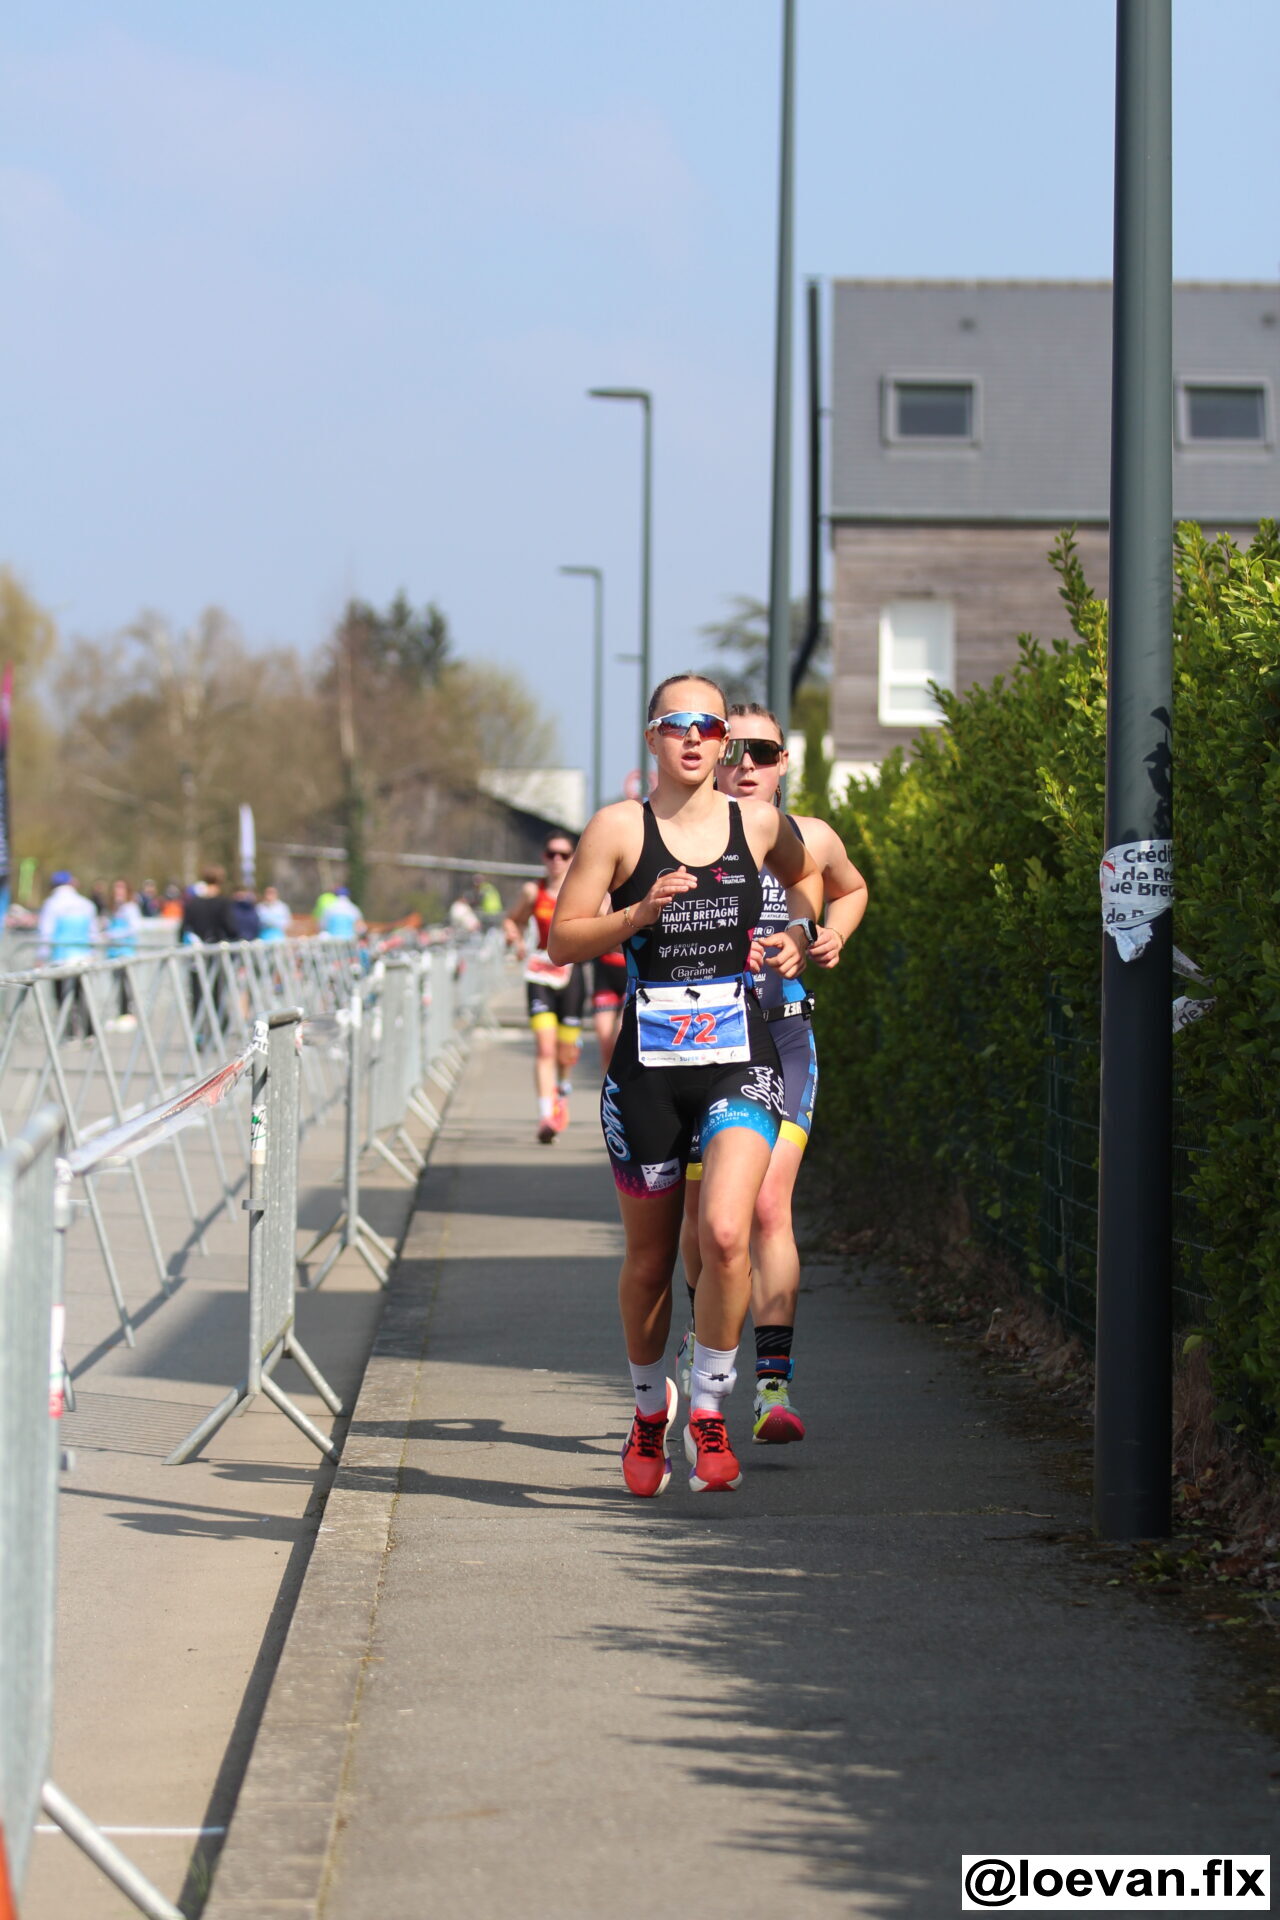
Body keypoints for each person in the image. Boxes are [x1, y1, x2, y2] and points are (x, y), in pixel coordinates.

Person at [548, 673, 823, 1497]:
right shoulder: (618, 828)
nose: (696, 737)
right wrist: (636, 916)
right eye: (679, 724)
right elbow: (562, 940)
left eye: (709, 724)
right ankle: (646, 1414)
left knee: (730, 1233)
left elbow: (810, 877)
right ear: (653, 738)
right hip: (647, 1074)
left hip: (739, 1061)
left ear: (723, 740)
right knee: (649, 1262)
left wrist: (800, 934)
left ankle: (709, 1410)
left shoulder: (758, 822)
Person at [677, 703, 867, 1448]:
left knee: (766, 1208)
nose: (748, 764)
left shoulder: (810, 837)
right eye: (736, 749)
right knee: (704, 1222)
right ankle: (702, 1344)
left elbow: (850, 888)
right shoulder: (685, 837)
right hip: (701, 1044)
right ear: (715, 756)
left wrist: (828, 935)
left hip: (782, 1036)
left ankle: (773, 1387)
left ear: (785, 763)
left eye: (765, 752)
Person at [504, 833, 586, 1143]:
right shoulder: (532, 891)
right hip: (539, 973)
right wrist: (515, 938)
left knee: (564, 1055)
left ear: (572, 858)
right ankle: (545, 1116)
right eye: (551, 854)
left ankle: (561, 1090)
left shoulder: (580, 892)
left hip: (571, 975)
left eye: (564, 855)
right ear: (543, 857)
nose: (557, 860)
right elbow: (512, 920)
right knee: (545, 1049)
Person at [180, 866, 240, 1047]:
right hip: (216, 953)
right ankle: (216, 1032)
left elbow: (183, 929)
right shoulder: (223, 903)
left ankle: (199, 1033)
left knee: (197, 994)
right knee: (216, 993)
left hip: (196, 954)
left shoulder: (192, 903)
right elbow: (231, 928)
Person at [37, 870, 98, 1038]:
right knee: (82, 996)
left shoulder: (51, 904)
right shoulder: (86, 904)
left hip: (60, 958)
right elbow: (93, 932)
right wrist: (93, 953)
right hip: (83, 957)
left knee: (62, 998)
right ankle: (90, 1033)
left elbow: (46, 932)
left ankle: (70, 1034)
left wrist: (40, 956)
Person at [102, 877, 143, 1028]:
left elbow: (134, 928)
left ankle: (128, 1015)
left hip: (126, 951)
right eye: (116, 888)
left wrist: (113, 934)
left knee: (127, 984)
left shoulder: (130, 908)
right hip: (114, 952)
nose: (118, 891)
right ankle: (120, 1014)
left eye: (121, 888)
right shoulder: (113, 909)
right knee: (117, 984)